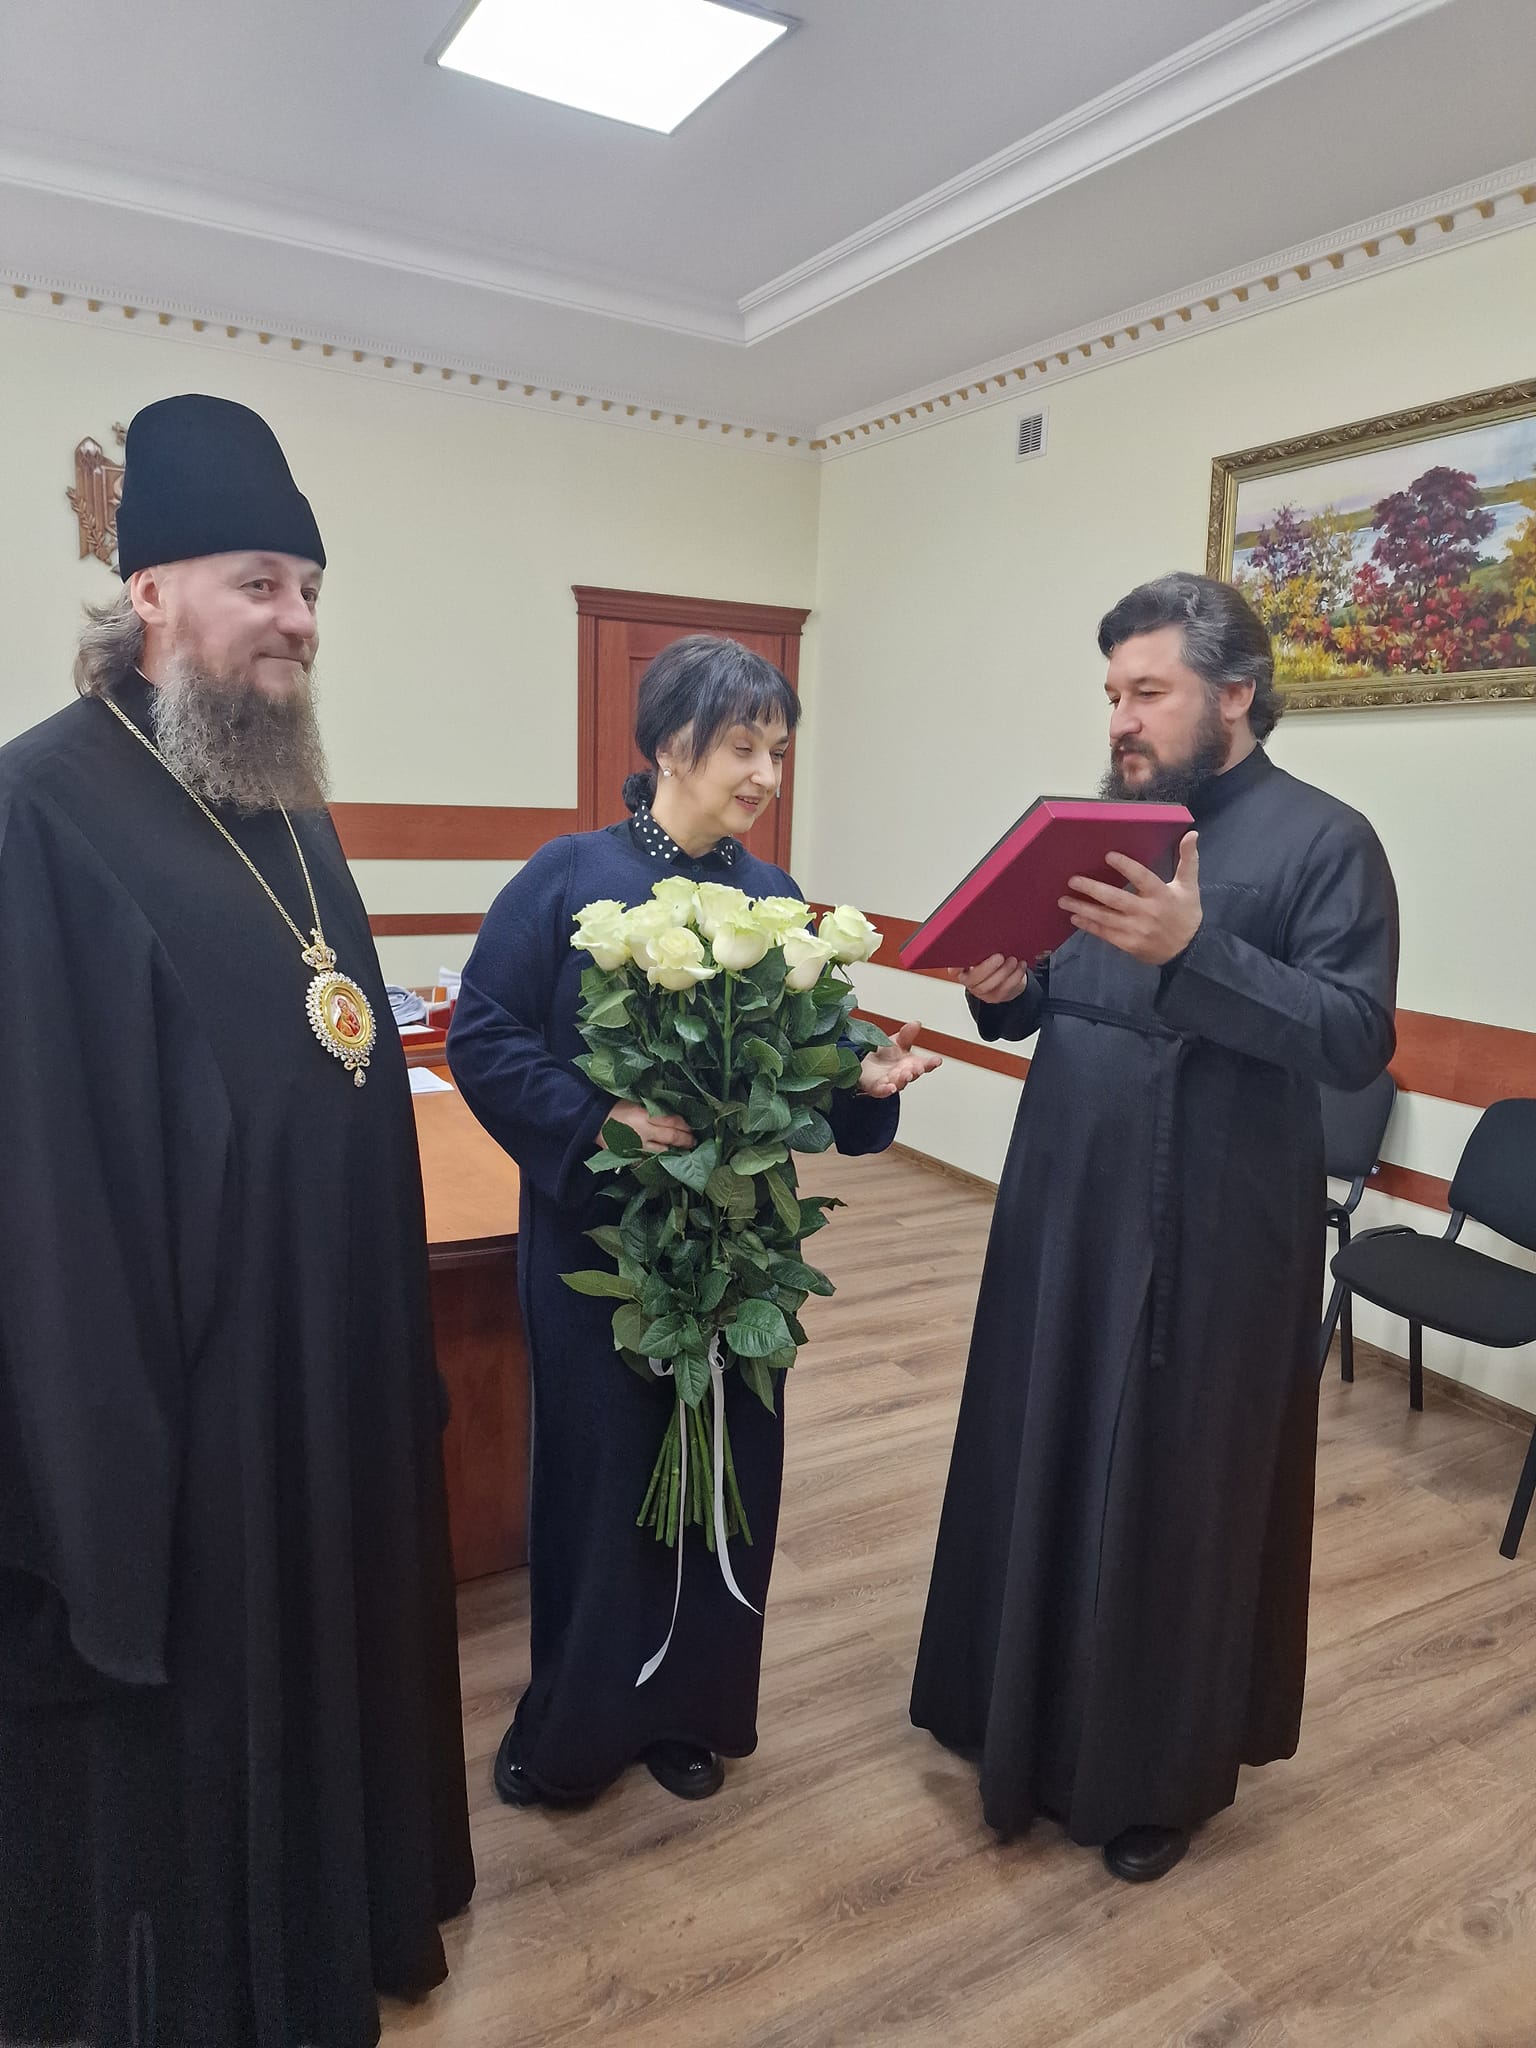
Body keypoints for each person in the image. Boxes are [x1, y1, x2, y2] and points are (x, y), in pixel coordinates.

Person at [0, 395, 474, 2046]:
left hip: (321, 1360)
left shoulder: (286, 796)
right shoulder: (40, 807)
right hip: (188, 1401)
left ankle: (342, 1910)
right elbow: (45, 1168)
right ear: (150, 591)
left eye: (311, 590)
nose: (299, 621)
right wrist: (103, 1472)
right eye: (261, 583)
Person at [910, 572, 1399, 1883]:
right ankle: (998, 1706)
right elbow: (1056, 993)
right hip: (1065, 1196)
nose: (1121, 718)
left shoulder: (1327, 840)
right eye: (1112, 693)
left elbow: (1357, 1038)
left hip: (1216, 1228)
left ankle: (1145, 1778)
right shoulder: (1095, 827)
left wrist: (1196, 946)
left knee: (1174, 1493)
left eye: (1148, 692)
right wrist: (1004, 989)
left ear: (1235, 694)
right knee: (1036, 1440)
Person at [448, 634, 939, 1807]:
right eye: (743, 747)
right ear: (672, 744)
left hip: (739, 1252)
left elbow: (802, 1058)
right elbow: (483, 1034)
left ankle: (691, 1709)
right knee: (601, 1478)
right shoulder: (567, 874)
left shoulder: (773, 897)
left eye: (780, 750)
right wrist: (601, 1116)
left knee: (728, 1470)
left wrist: (858, 1075)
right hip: (600, 1247)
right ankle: (574, 1725)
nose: (767, 773)